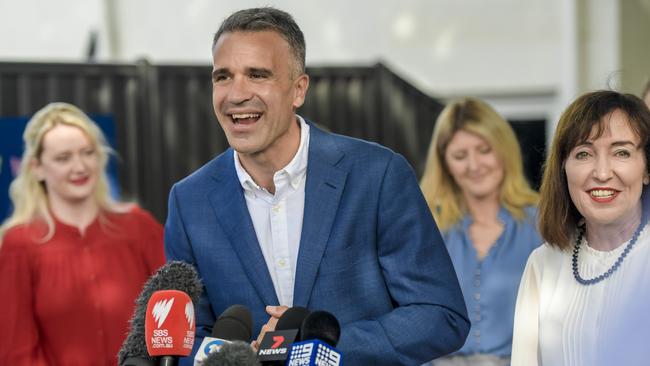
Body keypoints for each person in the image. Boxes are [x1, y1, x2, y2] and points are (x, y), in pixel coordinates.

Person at [164, 7, 469, 365]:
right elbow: (184, 342)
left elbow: (440, 315)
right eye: (223, 77)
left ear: (298, 89)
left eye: (257, 74)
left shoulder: (378, 175)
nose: (236, 93)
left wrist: (318, 349)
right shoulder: (190, 201)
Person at [0, 102, 165, 365]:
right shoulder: (19, 244)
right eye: (63, 158)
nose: (79, 167)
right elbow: (16, 352)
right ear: (37, 167)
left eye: (87, 153)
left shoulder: (139, 226)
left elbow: (178, 314)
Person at [511, 90, 650, 365]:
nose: (601, 173)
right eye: (584, 154)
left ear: (646, 169)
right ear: (563, 167)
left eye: (621, 152)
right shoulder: (543, 264)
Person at [420, 98, 541, 366]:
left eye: (484, 150)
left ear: (504, 151)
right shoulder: (426, 228)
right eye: (460, 156)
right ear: (445, 164)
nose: (474, 166)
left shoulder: (544, 224)